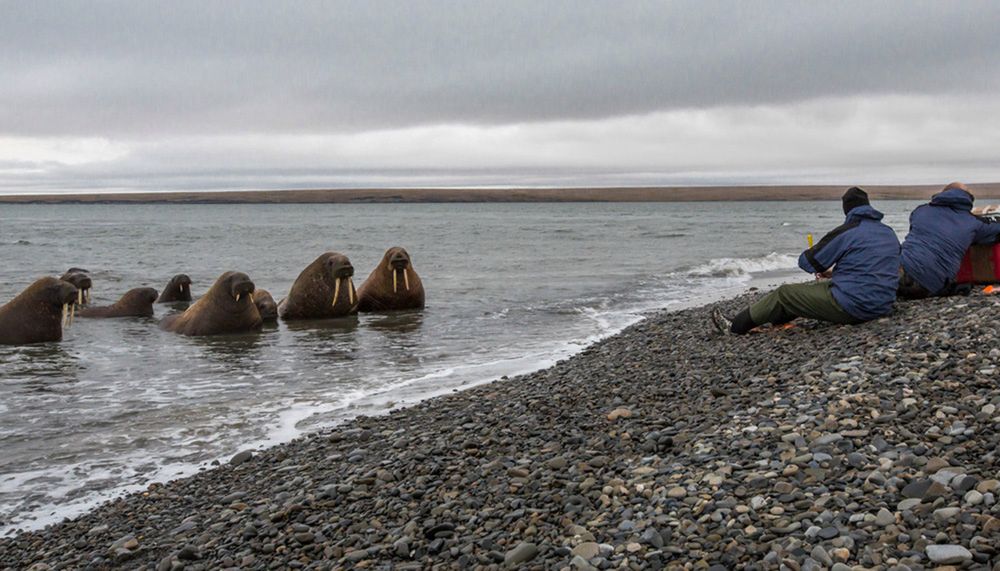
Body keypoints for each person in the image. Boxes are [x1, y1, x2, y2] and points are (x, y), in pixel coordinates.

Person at [712, 187, 900, 335]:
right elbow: (874, 266)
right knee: (811, 291)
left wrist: (816, 251)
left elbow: (807, 262)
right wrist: (832, 273)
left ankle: (735, 326)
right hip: (883, 303)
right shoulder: (888, 232)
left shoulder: (848, 231)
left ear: (847, 210)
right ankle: (778, 321)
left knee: (785, 294)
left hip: (856, 306)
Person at [898, 182, 1000, 299]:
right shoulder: (973, 223)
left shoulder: (920, 211)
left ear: (942, 194)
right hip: (927, 284)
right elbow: (996, 232)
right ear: (968, 199)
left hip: (896, 268)